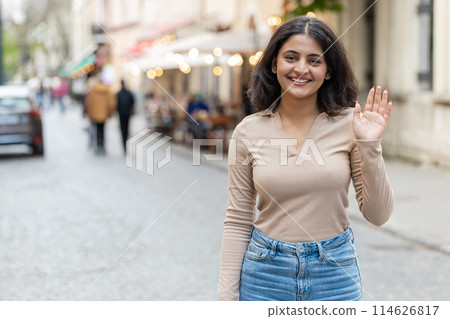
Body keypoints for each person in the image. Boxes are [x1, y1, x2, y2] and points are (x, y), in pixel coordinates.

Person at [218, 16, 394, 301]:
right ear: (274, 64)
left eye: (315, 60)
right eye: (291, 57)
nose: (301, 68)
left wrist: (370, 144)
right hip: (265, 276)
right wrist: (226, 300)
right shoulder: (248, 131)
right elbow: (238, 219)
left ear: (328, 71)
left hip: (334, 274)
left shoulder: (353, 125)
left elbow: (378, 214)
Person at [85, 74, 117, 154]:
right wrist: (110, 113)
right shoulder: (107, 90)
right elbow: (111, 103)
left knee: (96, 130)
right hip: (104, 114)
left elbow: (89, 103)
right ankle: (102, 145)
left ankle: (97, 145)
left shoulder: (93, 90)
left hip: (94, 115)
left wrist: (89, 113)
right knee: (102, 130)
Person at [116, 79, 135, 152]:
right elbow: (132, 103)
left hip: (121, 113)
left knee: (122, 128)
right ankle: (125, 140)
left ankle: (124, 142)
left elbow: (116, 104)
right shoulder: (129, 93)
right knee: (126, 128)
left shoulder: (118, 93)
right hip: (127, 113)